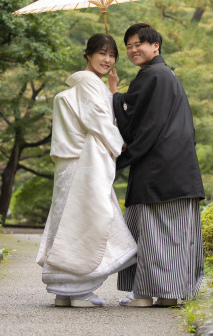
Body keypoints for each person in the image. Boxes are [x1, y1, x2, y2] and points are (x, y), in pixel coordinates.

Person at [36, 34, 137, 308]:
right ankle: (78, 291)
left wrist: (113, 89)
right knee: (89, 220)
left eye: (112, 54)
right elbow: (100, 121)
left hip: (71, 164)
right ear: (88, 54)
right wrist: (122, 143)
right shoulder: (89, 83)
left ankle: (65, 291)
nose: (108, 59)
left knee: (70, 220)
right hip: (84, 163)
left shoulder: (86, 84)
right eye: (102, 53)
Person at [111, 23, 205, 307]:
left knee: (153, 231)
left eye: (138, 43)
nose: (132, 50)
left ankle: (143, 293)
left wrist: (115, 94)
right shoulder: (167, 75)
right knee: (176, 233)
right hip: (179, 169)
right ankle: (169, 293)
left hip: (157, 170)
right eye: (128, 46)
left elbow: (138, 124)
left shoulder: (151, 75)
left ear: (156, 46)